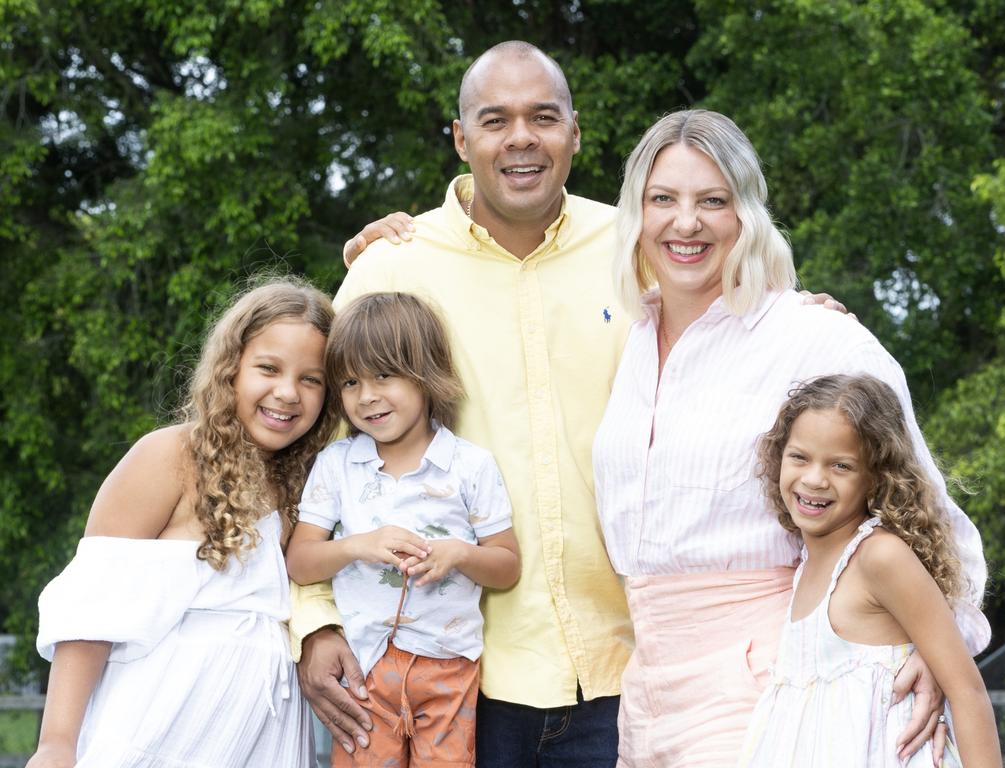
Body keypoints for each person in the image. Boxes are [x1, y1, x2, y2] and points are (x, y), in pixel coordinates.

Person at [591, 109, 990, 768]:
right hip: (645, 691)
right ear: (636, 212)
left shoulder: (812, 337)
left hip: (764, 679)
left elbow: (932, 510)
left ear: (745, 214)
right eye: (663, 199)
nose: (684, 222)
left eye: (711, 201)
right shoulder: (627, 338)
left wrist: (944, 643)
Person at [292, 40, 635, 768]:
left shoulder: (634, 248)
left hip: (624, 667)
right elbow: (308, 459)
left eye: (543, 116)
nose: (521, 138)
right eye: (494, 119)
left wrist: (817, 316)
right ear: (460, 137)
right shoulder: (394, 265)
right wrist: (315, 625)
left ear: (574, 131)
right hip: (445, 677)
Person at [28, 278, 342, 768]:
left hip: (265, 736)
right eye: (268, 368)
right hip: (159, 729)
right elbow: (94, 606)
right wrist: (56, 746)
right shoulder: (171, 456)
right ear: (231, 368)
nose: (287, 393)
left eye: (311, 379)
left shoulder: (312, 485)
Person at [286, 292, 520, 767]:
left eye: (384, 375)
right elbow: (300, 561)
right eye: (350, 381)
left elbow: (507, 566)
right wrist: (358, 546)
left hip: (448, 669)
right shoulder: (338, 465)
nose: (367, 395)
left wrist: (460, 554)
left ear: (425, 373)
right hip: (365, 669)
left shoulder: (469, 466)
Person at [739, 374, 1001, 767]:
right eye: (799, 457)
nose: (814, 479)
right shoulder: (806, 566)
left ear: (877, 476)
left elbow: (967, 691)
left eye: (841, 465)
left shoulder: (879, 557)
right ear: (779, 457)